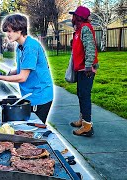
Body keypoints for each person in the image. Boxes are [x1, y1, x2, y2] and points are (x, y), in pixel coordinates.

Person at [0, 14, 53, 124]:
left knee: (34, 128)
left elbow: (22, 77)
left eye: (10, 31)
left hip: (39, 95)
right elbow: (21, 70)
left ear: (20, 29)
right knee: (27, 127)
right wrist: (5, 72)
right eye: (7, 31)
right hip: (30, 94)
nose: (8, 34)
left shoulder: (30, 47)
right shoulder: (20, 46)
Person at [69, 6, 98, 137]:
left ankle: (87, 126)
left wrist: (88, 67)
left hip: (86, 69)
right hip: (81, 68)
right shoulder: (79, 30)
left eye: (74, 15)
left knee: (85, 95)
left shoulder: (85, 28)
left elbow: (90, 48)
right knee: (81, 94)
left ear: (79, 17)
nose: (72, 18)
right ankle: (83, 120)